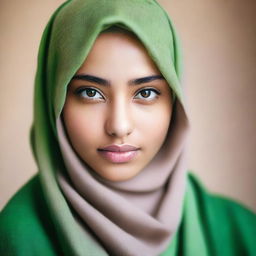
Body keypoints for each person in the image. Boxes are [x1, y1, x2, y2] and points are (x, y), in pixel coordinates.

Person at [0, 0, 255, 255]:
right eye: (90, 93)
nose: (119, 126)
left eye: (146, 92)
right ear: (54, 100)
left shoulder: (241, 232)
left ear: (175, 103)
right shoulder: (12, 239)